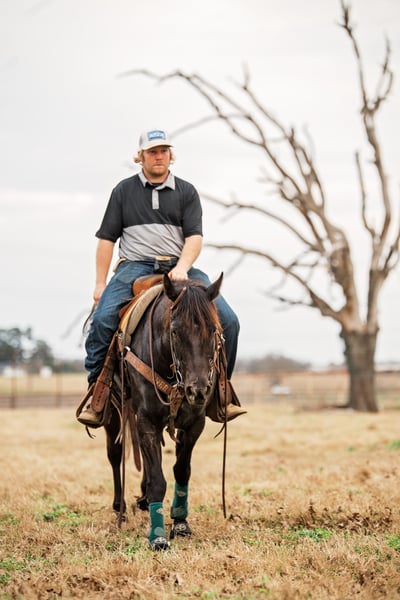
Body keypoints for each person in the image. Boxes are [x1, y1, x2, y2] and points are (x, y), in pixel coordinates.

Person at [78, 128, 244, 426]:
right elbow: (106, 240)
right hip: (134, 266)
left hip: (180, 267)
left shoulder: (186, 191)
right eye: (152, 152)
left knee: (230, 321)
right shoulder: (123, 191)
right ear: (140, 157)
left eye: (164, 151)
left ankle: (221, 393)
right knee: (102, 320)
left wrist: (182, 266)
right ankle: (98, 395)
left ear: (170, 155)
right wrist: (100, 284)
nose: (159, 156)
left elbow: (194, 238)